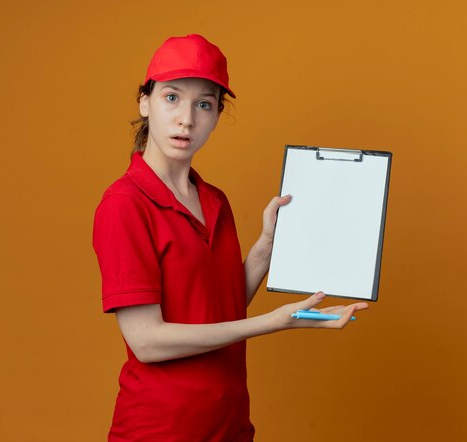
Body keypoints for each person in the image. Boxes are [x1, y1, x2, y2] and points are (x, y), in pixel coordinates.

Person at [92, 34, 369, 442]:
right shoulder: (124, 204)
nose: (186, 118)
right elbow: (147, 341)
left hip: (228, 423)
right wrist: (270, 324)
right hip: (160, 430)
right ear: (144, 102)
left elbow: (219, 305)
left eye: (204, 104)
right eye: (172, 98)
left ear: (217, 115)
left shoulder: (214, 200)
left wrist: (265, 248)